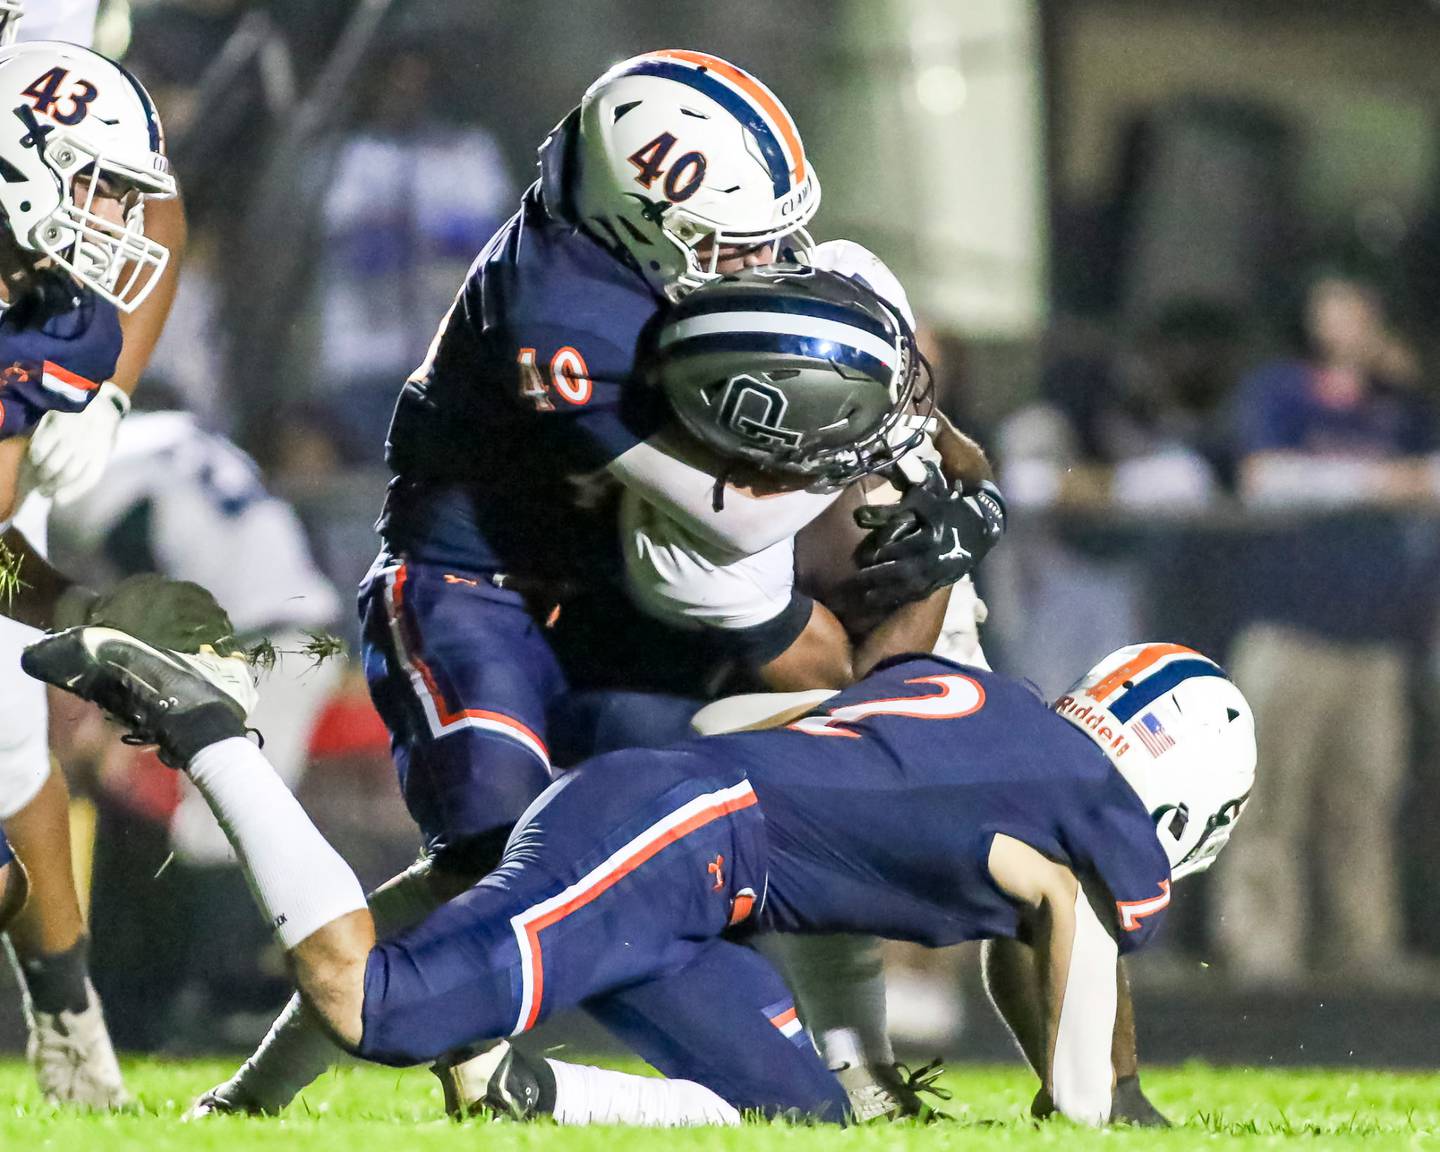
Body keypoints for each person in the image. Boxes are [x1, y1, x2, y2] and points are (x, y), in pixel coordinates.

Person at [192, 49, 999, 1118]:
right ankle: (485, 1081)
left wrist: (926, 440)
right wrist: (876, 460)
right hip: (475, 586)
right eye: (731, 237)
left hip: (616, 599)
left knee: (739, 808)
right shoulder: (564, 309)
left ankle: (294, 1090)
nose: (765, 257)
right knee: (497, 855)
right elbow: (729, 511)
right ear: (637, 213)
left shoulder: (662, 253)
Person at [25, 625, 1256, 1126]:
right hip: (678, 845)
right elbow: (1077, 993)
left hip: (687, 837)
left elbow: (735, 731)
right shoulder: (1093, 835)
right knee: (379, 1005)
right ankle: (210, 737)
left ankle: (506, 1087)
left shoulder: (982, 699)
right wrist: (1088, 1108)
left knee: (805, 1120)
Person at [0, 30, 231, 1109]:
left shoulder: (47, 308)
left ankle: (67, 1023)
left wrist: (81, 612)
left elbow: (155, 207)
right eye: (86, 189)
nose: (111, 220)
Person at [1215, 271, 1440, 985]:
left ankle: (1364, 950)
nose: (1351, 322)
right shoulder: (1280, 391)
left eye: (1364, 308)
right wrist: (1380, 484)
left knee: (1364, 800)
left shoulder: (1400, 405)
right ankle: (1262, 951)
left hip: (1372, 635)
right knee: (1271, 798)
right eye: (1337, 306)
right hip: (1289, 629)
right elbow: (1266, 479)